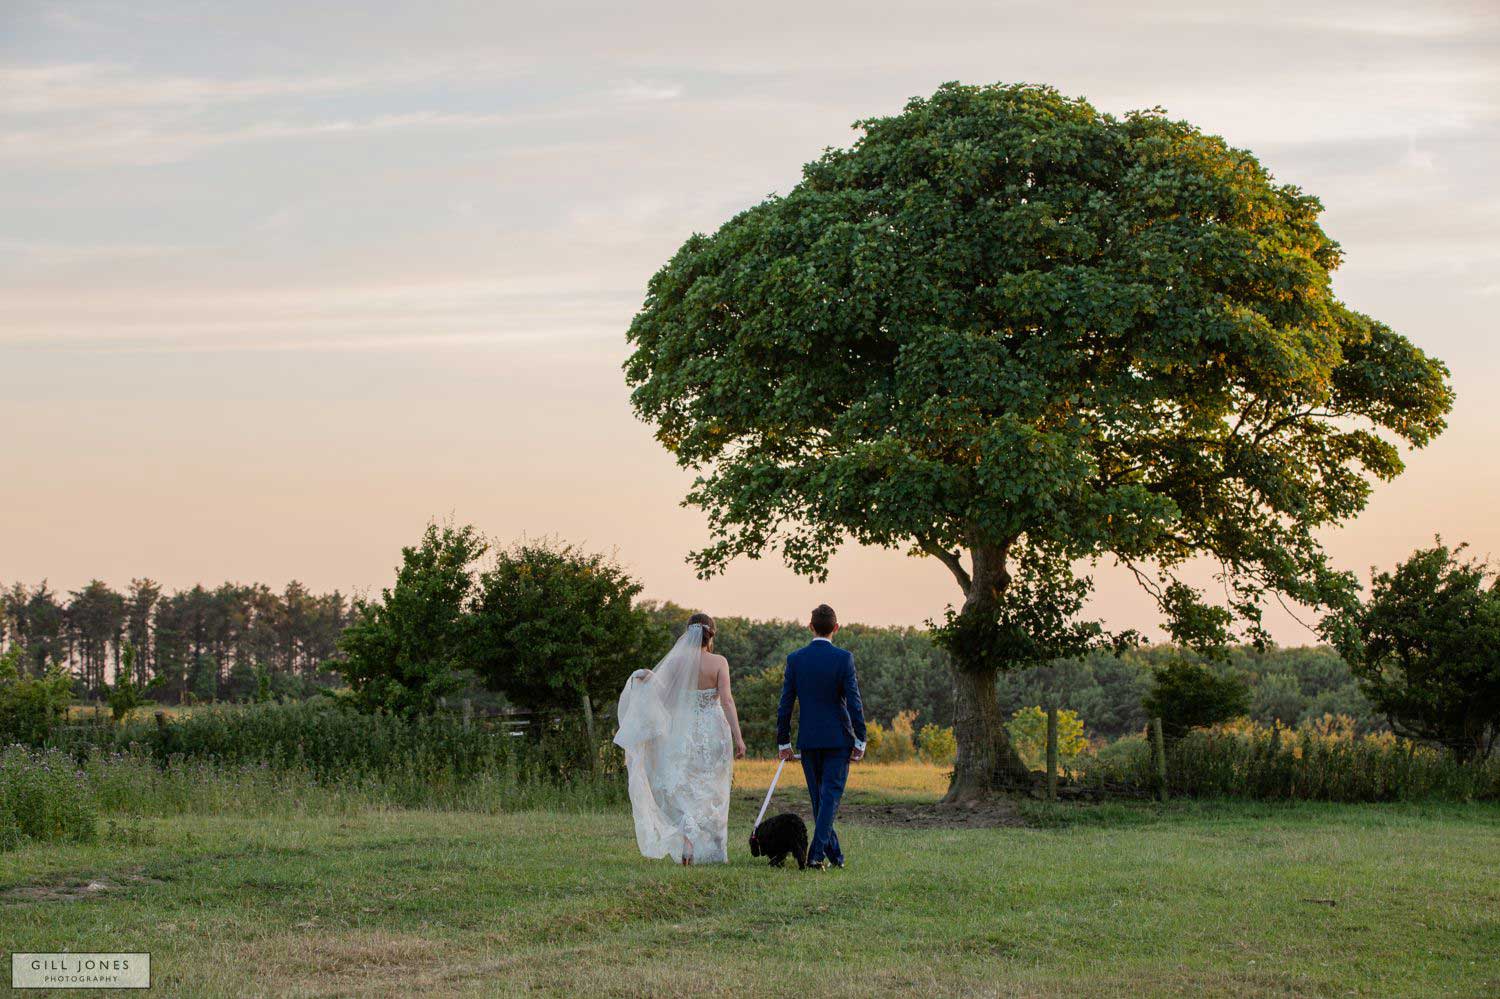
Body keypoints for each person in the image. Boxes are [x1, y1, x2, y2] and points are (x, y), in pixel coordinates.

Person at [613, 612, 747, 865]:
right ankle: (715, 849)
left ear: (688, 634)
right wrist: (738, 737)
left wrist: (649, 678)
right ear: (711, 635)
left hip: (683, 733)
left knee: (686, 786)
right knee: (711, 789)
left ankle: (688, 841)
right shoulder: (719, 662)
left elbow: (663, 695)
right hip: (713, 733)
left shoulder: (676, 664)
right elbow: (727, 700)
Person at [776, 603, 867, 870]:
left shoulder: (795, 659)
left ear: (810, 627)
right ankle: (816, 855)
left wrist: (784, 741)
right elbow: (854, 702)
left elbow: (785, 704)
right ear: (836, 628)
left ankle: (835, 856)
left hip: (809, 739)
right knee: (827, 799)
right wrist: (860, 739)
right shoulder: (844, 658)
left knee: (821, 799)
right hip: (839, 739)